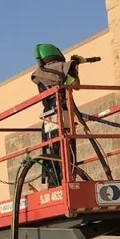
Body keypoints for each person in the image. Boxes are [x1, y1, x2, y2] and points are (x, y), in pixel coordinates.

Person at [31, 44, 80, 186]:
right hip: (63, 114)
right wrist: (75, 68)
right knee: (67, 151)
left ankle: (54, 183)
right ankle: (68, 180)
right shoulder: (62, 68)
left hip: (49, 117)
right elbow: (76, 85)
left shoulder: (40, 73)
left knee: (52, 150)